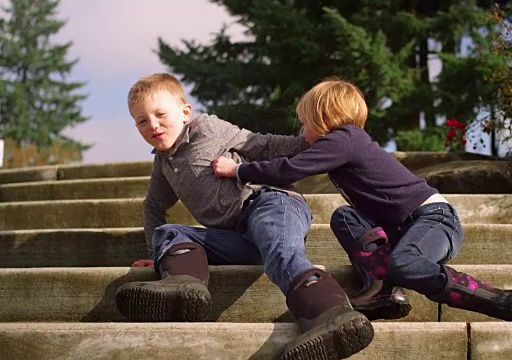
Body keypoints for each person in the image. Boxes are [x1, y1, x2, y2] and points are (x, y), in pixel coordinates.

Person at [213, 78, 512, 322]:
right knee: (345, 217)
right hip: (401, 226)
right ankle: (382, 289)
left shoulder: (346, 138)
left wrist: (239, 170)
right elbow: (296, 155)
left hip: (435, 219)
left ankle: (502, 301)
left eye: (304, 123)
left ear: (324, 118)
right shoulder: (341, 143)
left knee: (406, 263)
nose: (301, 133)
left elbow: (290, 168)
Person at [116, 73, 374, 359]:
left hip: (271, 203)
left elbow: (261, 145)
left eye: (160, 114)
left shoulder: (208, 128)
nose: (152, 125)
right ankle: (183, 285)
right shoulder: (163, 163)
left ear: (185, 112)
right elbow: (153, 206)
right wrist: (157, 254)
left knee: (281, 250)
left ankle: (330, 314)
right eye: (141, 121)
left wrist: (319, 145)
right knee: (170, 233)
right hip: (238, 235)